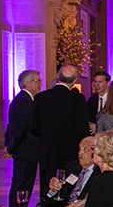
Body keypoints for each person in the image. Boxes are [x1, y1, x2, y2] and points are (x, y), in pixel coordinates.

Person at [30, 65, 89, 197]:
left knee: (48, 189)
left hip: (48, 152)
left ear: (57, 77)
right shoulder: (77, 99)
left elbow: (34, 127)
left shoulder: (41, 97)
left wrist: (47, 135)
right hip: (70, 154)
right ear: (74, 81)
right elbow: (82, 129)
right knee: (67, 188)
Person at [3, 70, 42, 207]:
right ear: (27, 83)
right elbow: (20, 129)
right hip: (26, 151)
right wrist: (9, 148)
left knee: (20, 183)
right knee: (23, 184)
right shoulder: (25, 102)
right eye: (37, 81)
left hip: (24, 150)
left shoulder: (22, 99)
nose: (40, 84)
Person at [39, 136, 100, 207]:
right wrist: (53, 190)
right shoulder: (72, 167)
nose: (80, 153)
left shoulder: (100, 173)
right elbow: (60, 196)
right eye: (79, 149)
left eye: (85, 149)